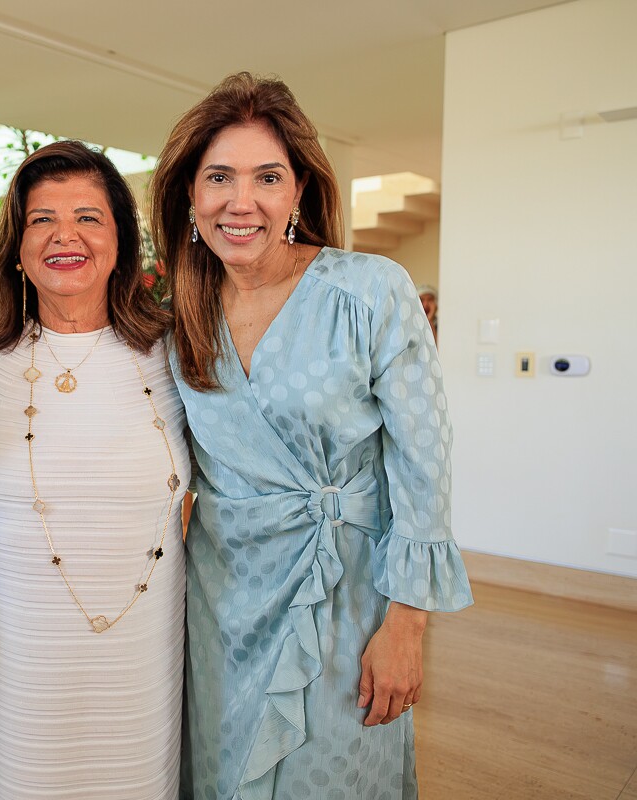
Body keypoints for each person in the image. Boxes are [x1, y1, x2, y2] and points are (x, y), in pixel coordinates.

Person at [149, 73, 473, 800]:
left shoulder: (370, 291)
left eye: (267, 177)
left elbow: (425, 464)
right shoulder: (180, 319)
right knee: (223, 775)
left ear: (299, 189)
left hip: (347, 599)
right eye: (219, 178)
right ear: (190, 197)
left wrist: (407, 627)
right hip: (222, 606)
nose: (242, 201)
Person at [0, 140, 190, 799]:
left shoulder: (176, 352)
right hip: (13, 656)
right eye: (42, 219)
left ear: (121, 237)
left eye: (89, 217)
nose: (66, 236)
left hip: (141, 656)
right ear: (18, 243)